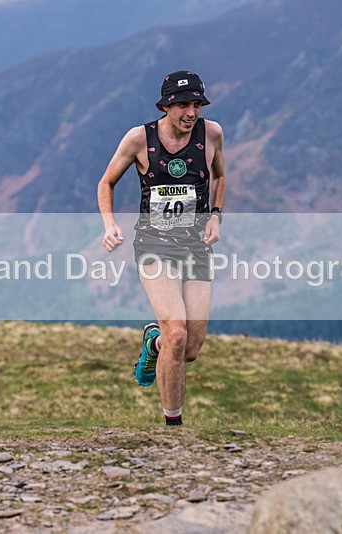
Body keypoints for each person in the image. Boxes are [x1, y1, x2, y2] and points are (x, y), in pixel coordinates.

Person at [97, 70, 226, 427]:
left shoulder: (212, 133)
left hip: (196, 247)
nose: (191, 112)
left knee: (190, 348)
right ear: (164, 106)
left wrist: (215, 216)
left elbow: (220, 176)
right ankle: (173, 429)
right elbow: (106, 183)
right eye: (183, 104)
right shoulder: (139, 139)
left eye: (197, 104)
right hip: (154, 245)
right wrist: (110, 225)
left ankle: (153, 343)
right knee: (177, 331)